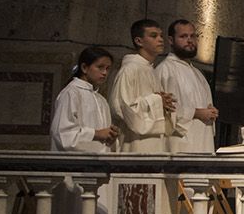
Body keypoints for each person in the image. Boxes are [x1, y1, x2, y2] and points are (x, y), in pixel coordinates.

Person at [110, 18, 181, 152]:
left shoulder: (150, 69)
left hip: (155, 143)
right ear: (139, 41)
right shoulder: (130, 69)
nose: (160, 39)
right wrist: (158, 101)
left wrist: (165, 104)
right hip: (135, 143)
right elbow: (121, 108)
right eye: (153, 36)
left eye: (161, 35)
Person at [156, 20, 218, 153]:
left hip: (202, 139)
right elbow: (164, 111)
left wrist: (211, 111)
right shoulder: (165, 70)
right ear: (171, 40)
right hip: (180, 142)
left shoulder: (197, 73)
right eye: (183, 36)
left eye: (192, 36)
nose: (189, 40)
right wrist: (196, 113)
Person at [50, 46, 119, 152]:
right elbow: (62, 135)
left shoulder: (101, 100)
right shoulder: (71, 93)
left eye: (107, 68)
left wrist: (110, 137)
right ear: (84, 68)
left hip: (98, 163)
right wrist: (96, 134)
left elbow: (104, 139)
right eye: (100, 67)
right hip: (74, 164)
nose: (105, 73)